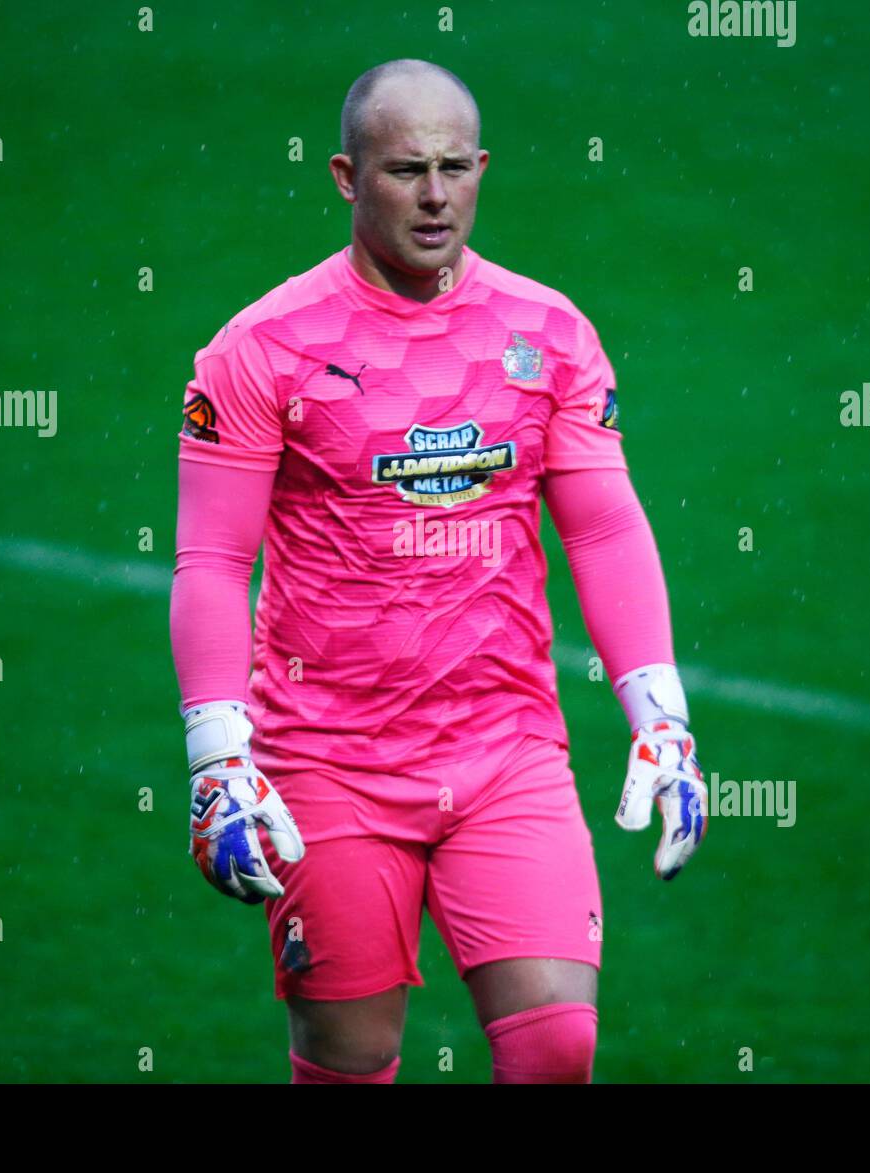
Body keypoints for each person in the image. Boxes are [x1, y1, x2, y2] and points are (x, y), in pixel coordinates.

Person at [170, 58, 708, 1085]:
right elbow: (212, 559)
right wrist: (216, 757)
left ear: (482, 168)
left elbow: (601, 528)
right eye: (404, 169)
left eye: (454, 168)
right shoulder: (261, 349)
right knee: (351, 1057)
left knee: (557, 1047)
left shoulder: (547, 331)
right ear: (344, 176)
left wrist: (660, 714)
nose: (433, 195)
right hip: (328, 764)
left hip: (505, 752)